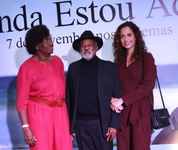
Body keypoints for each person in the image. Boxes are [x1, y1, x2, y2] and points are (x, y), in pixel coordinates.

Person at [16, 25, 72, 150]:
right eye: (46, 41)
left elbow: (64, 94)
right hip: (39, 116)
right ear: (36, 45)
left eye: (50, 39)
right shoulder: (26, 68)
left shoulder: (58, 62)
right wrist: (26, 128)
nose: (51, 43)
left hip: (60, 114)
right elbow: (21, 101)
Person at [66, 30, 122, 150]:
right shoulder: (73, 68)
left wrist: (114, 124)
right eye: (83, 45)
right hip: (80, 124)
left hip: (102, 123)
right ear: (79, 49)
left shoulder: (109, 68)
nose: (86, 48)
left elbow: (118, 96)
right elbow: (69, 99)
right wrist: (69, 126)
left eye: (89, 44)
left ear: (96, 47)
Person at [110, 21, 157, 150]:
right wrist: (112, 100)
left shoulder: (146, 58)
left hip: (141, 112)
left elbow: (148, 85)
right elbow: (115, 85)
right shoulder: (118, 62)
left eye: (129, 35)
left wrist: (122, 100)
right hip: (123, 113)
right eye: (122, 36)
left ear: (136, 36)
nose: (126, 39)